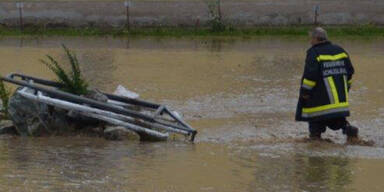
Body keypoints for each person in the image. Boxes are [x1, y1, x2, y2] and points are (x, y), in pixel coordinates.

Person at [295, 27, 359, 141]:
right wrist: (345, 89)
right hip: (338, 103)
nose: (310, 41)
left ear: (315, 38)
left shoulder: (314, 52)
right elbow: (349, 73)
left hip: (319, 104)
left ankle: (315, 146)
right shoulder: (340, 50)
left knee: (315, 130)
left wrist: (304, 93)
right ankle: (351, 132)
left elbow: (310, 77)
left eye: (311, 38)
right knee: (339, 122)